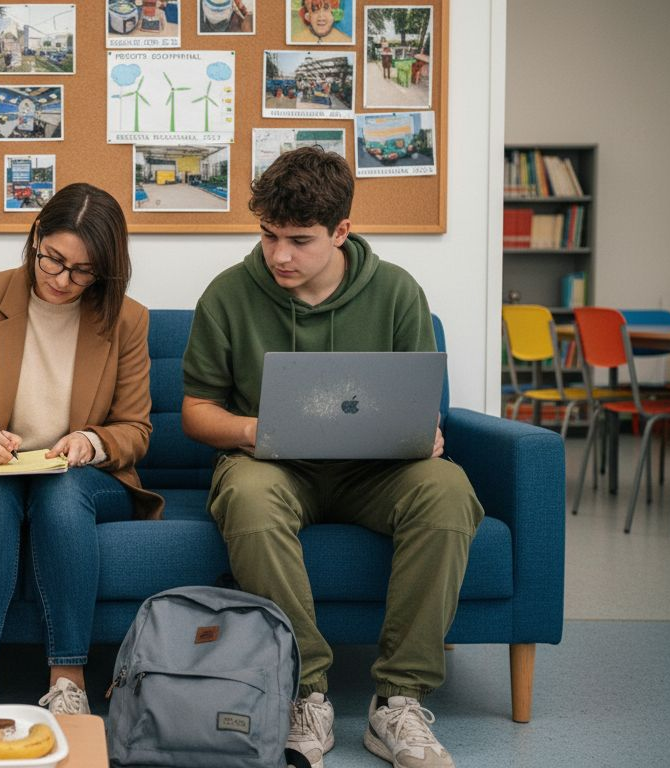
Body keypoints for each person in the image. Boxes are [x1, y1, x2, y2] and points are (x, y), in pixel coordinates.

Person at [180, 146, 482, 768]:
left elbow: (420, 407)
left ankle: (398, 701)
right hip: (271, 467)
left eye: (299, 240)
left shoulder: (398, 292)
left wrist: (422, 434)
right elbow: (196, 412)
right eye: (268, 235)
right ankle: (306, 691)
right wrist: (255, 429)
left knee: (449, 490)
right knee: (247, 495)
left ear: (342, 231)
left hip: (378, 474)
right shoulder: (229, 294)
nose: (279, 255)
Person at [0, 183, 161, 715]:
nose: (60, 279)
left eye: (81, 271)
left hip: (80, 478)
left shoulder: (127, 319)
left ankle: (68, 682)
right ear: (35, 238)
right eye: (51, 259)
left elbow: (135, 429)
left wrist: (91, 441)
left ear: (107, 269)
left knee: (60, 494)